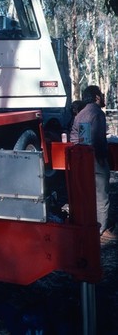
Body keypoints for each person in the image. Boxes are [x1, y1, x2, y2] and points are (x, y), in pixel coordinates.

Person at [70, 85, 117, 241]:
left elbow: (80, 138)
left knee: (85, 193)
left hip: (80, 158)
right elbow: (96, 139)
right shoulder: (97, 113)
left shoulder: (81, 114)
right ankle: (100, 229)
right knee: (102, 195)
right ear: (97, 97)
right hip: (95, 158)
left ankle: (86, 223)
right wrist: (103, 158)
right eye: (102, 95)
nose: (103, 98)